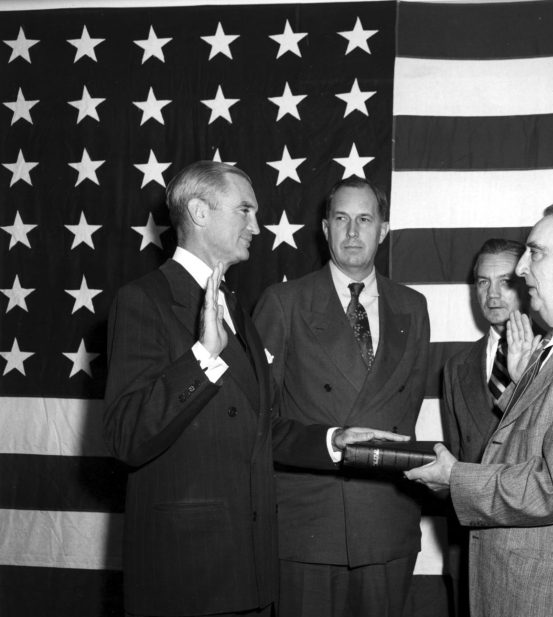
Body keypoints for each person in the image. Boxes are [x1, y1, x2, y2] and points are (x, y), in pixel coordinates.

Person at [102, 161, 405, 617]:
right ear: (200, 213)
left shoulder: (234, 305)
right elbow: (127, 436)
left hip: (250, 568)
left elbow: (259, 427)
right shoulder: (145, 299)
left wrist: (332, 441)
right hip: (189, 575)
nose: (256, 226)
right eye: (245, 210)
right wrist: (203, 358)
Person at [405, 200, 553, 617]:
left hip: (544, 594)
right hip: (519, 585)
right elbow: (535, 437)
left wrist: (455, 477)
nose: (520, 270)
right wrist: (519, 382)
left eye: (537, 252)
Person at [252, 177, 430, 617]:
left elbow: (407, 413)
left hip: (386, 523)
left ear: (383, 230)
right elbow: (256, 423)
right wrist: (332, 440)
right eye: (342, 219)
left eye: (365, 220)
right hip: (309, 524)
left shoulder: (414, 306)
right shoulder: (283, 303)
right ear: (325, 229)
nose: (353, 232)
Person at [442, 238, 527, 464]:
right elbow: (456, 464)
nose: (492, 294)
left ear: (529, 284)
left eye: (506, 282)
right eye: (483, 282)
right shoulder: (456, 367)